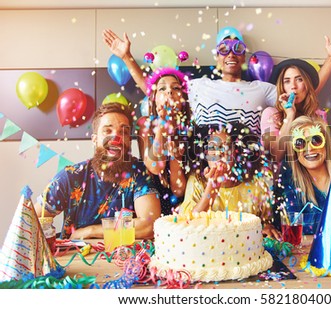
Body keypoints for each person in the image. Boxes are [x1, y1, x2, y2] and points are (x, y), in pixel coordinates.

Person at [102, 24, 331, 135]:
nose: (231, 54)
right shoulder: (198, 86)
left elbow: (305, 89)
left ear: (244, 57)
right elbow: (156, 90)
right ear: (217, 57)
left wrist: (330, 59)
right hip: (204, 167)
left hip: (248, 169)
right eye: (224, 49)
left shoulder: (262, 89)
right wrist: (126, 57)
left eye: (237, 48)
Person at [35, 103, 161, 240]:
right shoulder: (71, 176)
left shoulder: (138, 173)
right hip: (74, 258)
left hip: (125, 259)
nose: (116, 139)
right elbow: (32, 219)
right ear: (95, 140)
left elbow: (150, 225)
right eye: (107, 131)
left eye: (123, 132)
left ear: (129, 141)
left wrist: (91, 231)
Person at [178, 121, 281, 239]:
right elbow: (186, 226)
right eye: (213, 147)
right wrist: (212, 187)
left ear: (236, 153)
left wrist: (268, 226)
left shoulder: (256, 184)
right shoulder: (197, 181)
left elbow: (265, 223)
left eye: (225, 147)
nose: (219, 153)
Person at [136, 67, 190, 215]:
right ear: (153, 98)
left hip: (183, 207)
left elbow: (179, 191)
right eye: (162, 88)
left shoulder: (190, 131)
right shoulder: (145, 125)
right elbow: (155, 167)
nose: (169, 92)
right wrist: (163, 124)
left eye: (175, 88)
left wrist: (176, 159)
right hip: (150, 203)